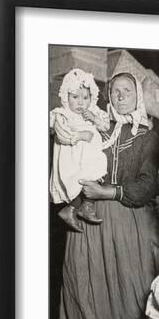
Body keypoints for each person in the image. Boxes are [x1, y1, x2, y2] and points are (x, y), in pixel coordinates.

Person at [56, 72, 159, 319]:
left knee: (129, 295)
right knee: (85, 289)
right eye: (115, 91)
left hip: (127, 223)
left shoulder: (148, 137)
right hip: (88, 224)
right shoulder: (96, 127)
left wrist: (107, 191)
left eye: (127, 90)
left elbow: (147, 186)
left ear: (138, 96)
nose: (120, 95)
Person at [50, 68, 110, 232]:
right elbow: (61, 135)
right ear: (65, 97)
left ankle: (85, 207)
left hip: (91, 155)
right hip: (72, 156)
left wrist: (95, 119)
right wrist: (80, 135)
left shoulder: (94, 111)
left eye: (85, 97)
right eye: (75, 97)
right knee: (77, 180)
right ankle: (70, 208)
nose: (80, 102)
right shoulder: (62, 114)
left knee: (97, 172)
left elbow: (106, 126)